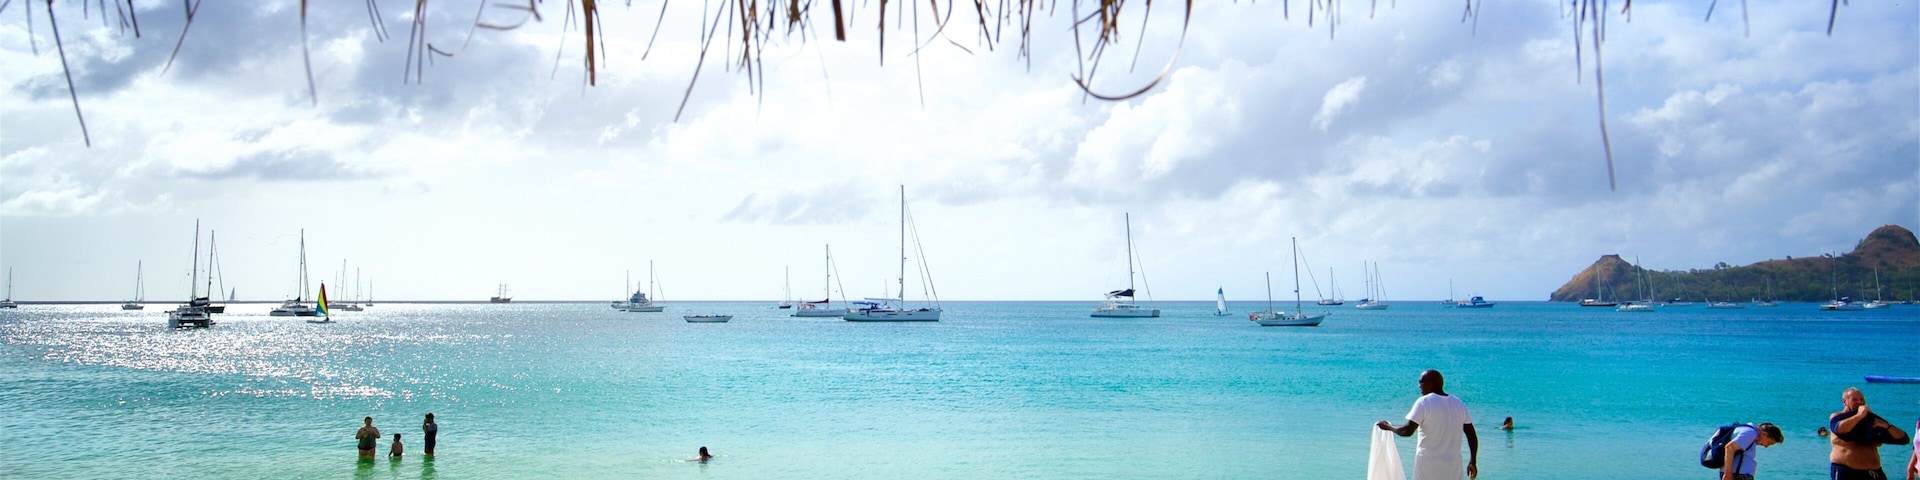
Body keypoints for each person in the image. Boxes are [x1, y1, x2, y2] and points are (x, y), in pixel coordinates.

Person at [1378, 370, 1479, 480]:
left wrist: (1388, 427)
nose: (1419, 386)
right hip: (1453, 469)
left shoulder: (1424, 402)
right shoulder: (1458, 403)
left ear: (1431, 383)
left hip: (1428, 468)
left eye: (1421, 382)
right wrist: (1473, 461)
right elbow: (1472, 436)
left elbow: (1407, 431)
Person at [1829, 388, 1911, 480]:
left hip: (1874, 472)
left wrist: (1886, 425)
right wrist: (1859, 415)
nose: (1859, 402)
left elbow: (1903, 439)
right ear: (1844, 402)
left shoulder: (1871, 420)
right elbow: (1839, 429)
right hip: (1847, 471)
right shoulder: (1837, 417)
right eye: (1854, 400)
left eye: (1862, 399)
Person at [1720, 423, 1785, 480]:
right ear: (1764, 434)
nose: (1766, 446)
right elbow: (1729, 447)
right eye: (1769, 443)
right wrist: (1728, 474)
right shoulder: (1750, 433)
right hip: (1739, 474)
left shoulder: (1748, 430)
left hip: (1737, 473)